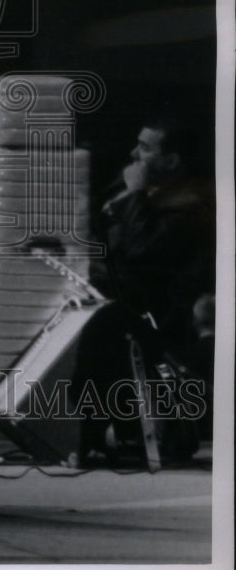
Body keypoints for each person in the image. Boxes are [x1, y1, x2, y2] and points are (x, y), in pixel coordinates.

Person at [71, 116, 215, 465]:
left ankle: (83, 435)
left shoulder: (192, 203)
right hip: (126, 298)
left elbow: (142, 251)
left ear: (172, 160)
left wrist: (134, 195)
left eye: (146, 147)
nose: (135, 153)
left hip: (161, 315)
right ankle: (83, 432)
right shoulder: (148, 192)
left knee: (105, 323)